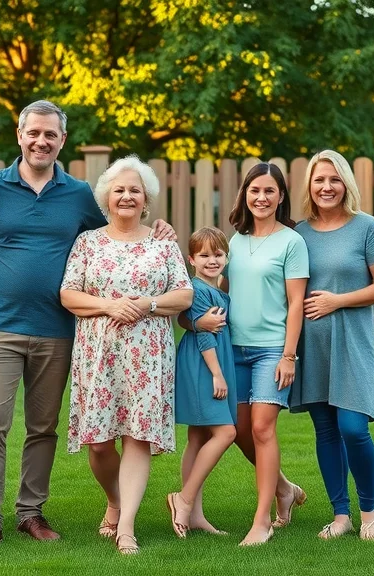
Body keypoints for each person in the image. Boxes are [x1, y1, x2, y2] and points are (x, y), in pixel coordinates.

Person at [0, 101, 176, 551]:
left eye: (50, 135)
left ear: (62, 140)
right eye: (33, 133)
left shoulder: (78, 194)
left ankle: (31, 513)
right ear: (19, 135)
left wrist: (162, 230)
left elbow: (120, 231)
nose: (41, 141)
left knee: (43, 428)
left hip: (59, 331)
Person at [59, 155, 193, 555]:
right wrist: (109, 305)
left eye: (135, 190)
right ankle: (114, 501)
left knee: (137, 436)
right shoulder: (88, 242)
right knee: (99, 444)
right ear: (106, 197)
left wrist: (148, 304)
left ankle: (127, 527)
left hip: (148, 355)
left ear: (146, 197)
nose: (127, 196)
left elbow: (183, 295)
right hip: (98, 353)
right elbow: (68, 294)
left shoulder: (163, 244)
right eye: (119, 189)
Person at [191, 162, 309, 547]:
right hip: (232, 347)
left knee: (261, 428)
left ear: (280, 197)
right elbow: (216, 289)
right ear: (244, 195)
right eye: (255, 190)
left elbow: (296, 303)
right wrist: (196, 320)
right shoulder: (235, 241)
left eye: (270, 191)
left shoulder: (292, 242)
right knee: (239, 431)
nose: (261, 197)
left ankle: (262, 521)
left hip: (272, 349)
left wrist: (288, 355)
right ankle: (286, 488)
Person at [290, 150, 374, 541]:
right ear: (310, 186)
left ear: (346, 184)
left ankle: (369, 513)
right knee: (326, 430)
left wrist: (338, 300)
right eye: (319, 180)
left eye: (334, 179)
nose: (326, 187)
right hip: (312, 346)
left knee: (354, 428)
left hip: (353, 342)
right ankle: (341, 515)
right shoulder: (298, 233)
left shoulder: (365, 227)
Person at [166, 227, 237, 539]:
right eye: (205, 255)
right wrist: (217, 373)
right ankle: (183, 498)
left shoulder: (218, 289)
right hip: (204, 363)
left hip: (212, 360)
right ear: (192, 259)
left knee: (197, 436)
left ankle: (194, 516)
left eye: (218, 254)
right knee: (226, 432)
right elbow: (205, 335)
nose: (212, 260)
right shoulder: (197, 289)